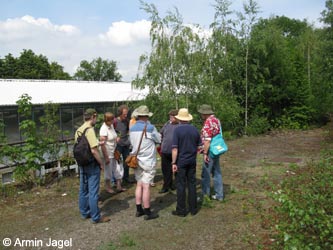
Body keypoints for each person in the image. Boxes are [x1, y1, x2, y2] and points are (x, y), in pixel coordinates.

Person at [75, 108, 110, 224]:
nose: (96, 120)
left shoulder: (79, 130)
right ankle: (96, 217)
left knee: (83, 189)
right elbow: (94, 150)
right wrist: (101, 163)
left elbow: (83, 145)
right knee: (93, 191)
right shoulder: (89, 130)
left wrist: (97, 143)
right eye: (96, 117)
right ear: (93, 117)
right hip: (91, 163)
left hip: (82, 163)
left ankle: (84, 212)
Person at [129, 105, 161, 220]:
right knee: (146, 185)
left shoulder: (132, 128)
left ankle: (139, 209)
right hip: (148, 160)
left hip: (136, 159)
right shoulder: (150, 128)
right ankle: (147, 211)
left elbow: (131, 142)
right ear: (147, 116)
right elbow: (159, 139)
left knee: (139, 184)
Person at [171, 108, 201, 217]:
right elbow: (199, 146)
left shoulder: (177, 130)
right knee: (192, 184)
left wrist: (173, 163)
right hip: (192, 160)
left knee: (181, 185)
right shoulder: (194, 129)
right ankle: (193, 208)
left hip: (181, 161)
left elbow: (175, 149)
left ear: (179, 118)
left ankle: (181, 210)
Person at [198, 104, 224, 201]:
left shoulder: (208, 122)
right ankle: (219, 195)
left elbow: (207, 140)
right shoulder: (216, 120)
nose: (201, 115)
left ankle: (205, 196)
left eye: (201, 113)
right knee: (217, 172)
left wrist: (205, 153)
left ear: (205, 114)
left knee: (206, 173)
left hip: (210, 150)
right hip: (217, 149)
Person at [99, 112, 126, 194]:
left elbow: (113, 136)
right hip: (107, 152)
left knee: (118, 168)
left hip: (114, 151)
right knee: (108, 170)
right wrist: (106, 157)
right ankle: (108, 187)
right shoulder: (104, 128)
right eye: (111, 120)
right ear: (107, 120)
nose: (113, 121)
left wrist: (116, 138)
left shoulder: (111, 126)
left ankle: (119, 186)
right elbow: (102, 144)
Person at [159, 109, 179, 193]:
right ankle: (167, 185)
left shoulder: (180, 125)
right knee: (166, 170)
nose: (171, 118)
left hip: (176, 151)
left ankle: (178, 185)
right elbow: (161, 133)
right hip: (165, 151)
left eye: (172, 116)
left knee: (177, 170)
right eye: (170, 116)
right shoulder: (167, 124)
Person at [115, 105, 134, 184]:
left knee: (127, 162)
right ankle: (116, 180)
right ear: (120, 113)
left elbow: (128, 130)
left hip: (126, 144)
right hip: (118, 145)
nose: (126, 116)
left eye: (127, 114)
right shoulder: (115, 121)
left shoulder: (126, 121)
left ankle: (126, 178)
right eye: (124, 114)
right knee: (117, 163)